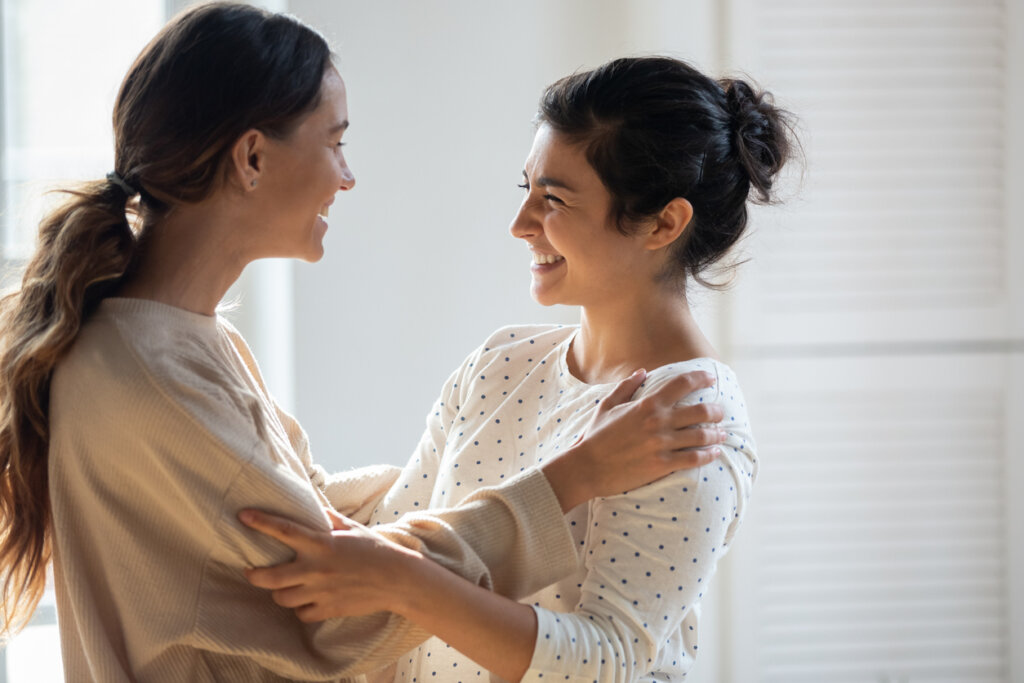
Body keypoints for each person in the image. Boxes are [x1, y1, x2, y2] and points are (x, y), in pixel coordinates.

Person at [0, 5, 728, 681]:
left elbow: (313, 513)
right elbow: (343, 599)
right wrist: (571, 476)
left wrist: (467, 467)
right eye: (335, 141)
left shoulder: (179, 338)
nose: (347, 177)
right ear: (252, 158)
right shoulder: (151, 374)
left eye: (555, 197)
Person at [240, 56, 795, 681]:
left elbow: (606, 660)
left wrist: (404, 583)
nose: (520, 224)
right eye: (525, 189)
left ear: (662, 223)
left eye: (553, 199)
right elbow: (399, 536)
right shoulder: (502, 363)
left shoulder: (691, 417)